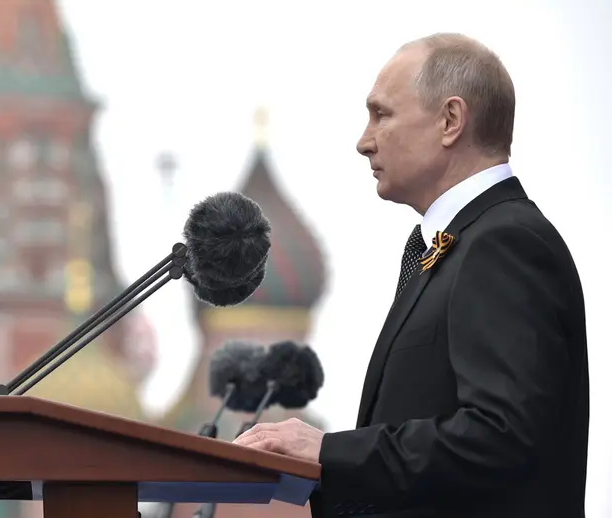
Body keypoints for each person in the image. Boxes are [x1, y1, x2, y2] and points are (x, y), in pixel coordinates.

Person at [233, 33, 589, 518]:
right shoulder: (451, 245)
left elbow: (500, 436)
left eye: (382, 114)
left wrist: (328, 453)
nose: (364, 141)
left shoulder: (504, 243)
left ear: (450, 121)